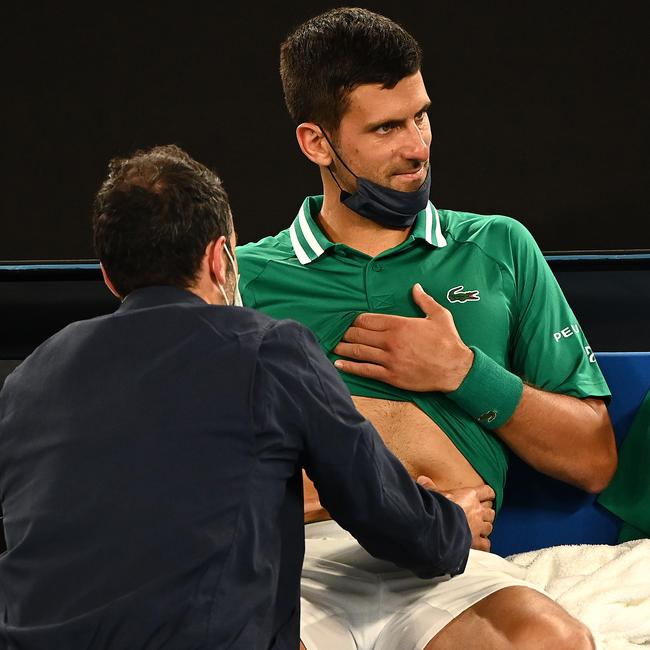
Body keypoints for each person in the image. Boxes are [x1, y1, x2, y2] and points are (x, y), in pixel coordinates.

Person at [236, 8, 618, 650]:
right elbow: (189, 458)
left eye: (420, 116)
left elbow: (595, 460)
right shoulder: (241, 279)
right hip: (296, 563)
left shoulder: (499, 247)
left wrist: (465, 373)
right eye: (385, 128)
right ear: (316, 143)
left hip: (449, 564)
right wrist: (374, 503)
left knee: (553, 643)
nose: (416, 147)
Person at [0, 145, 481, 650]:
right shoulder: (269, 349)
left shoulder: (28, 379)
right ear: (220, 257)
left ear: (108, 274)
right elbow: (383, 512)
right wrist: (454, 526)